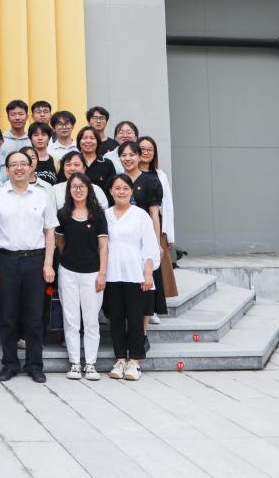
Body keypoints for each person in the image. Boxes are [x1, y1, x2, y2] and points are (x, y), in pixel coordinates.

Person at [0, 150, 58, 384]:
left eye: (23, 164)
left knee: (35, 316)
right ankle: (9, 364)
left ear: (30, 168)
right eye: (14, 165)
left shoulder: (42, 196)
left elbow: (50, 233)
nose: (19, 168)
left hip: (36, 261)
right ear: (7, 170)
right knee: (7, 316)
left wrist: (48, 264)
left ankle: (35, 365)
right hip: (6, 261)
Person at [104, 174, 160, 381]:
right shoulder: (105, 215)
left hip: (136, 275)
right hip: (111, 275)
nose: (121, 192)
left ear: (132, 191)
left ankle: (135, 361)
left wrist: (148, 273)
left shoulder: (140, 215)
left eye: (125, 188)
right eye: (117, 188)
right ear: (111, 191)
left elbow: (150, 246)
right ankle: (120, 359)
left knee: (136, 320)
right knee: (116, 319)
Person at [55, 172, 108, 381]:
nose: (78, 190)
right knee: (71, 320)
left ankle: (91, 364)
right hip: (68, 271)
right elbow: (60, 243)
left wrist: (102, 273)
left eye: (82, 186)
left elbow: (103, 246)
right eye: (74, 186)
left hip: (93, 273)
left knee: (91, 320)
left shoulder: (98, 214)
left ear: (89, 189)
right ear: (69, 190)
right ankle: (75, 363)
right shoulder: (63, 214)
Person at [117, 141, 165, 341]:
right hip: (123, 241)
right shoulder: (117, 180)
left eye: (132, 154)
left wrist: (156, 242)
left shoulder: (151, 181)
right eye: (124, 155)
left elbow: (154, 213)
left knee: (145, 286)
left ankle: (142, 333)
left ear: (139, 156)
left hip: (144, 240)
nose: (128, 158)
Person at [138, 136, 178, 300]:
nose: (146, 152)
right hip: (135, 223)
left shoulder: (160, 175)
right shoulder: (129, 173)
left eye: (150, 150)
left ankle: (155, 303)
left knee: (157, 263)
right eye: (142, 149)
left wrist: (169, 234)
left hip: (156, 223)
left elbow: (167, 205)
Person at [78, 126, 116, 204]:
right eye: (84, 138)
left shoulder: (107, 164)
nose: (88, 141)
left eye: (92, 138)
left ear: (98, 142)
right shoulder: (73, 162)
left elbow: (113, 189)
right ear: (79, 141)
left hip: (102, 207)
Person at [0, 100, 30, 164]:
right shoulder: (1, 139)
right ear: (8, 118)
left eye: (21, 114)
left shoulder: (32, 139)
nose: (17, 118)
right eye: (13, 114)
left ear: (27, 117)